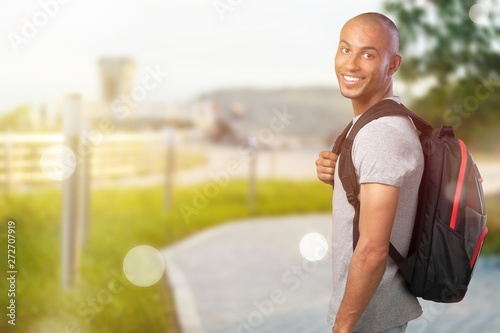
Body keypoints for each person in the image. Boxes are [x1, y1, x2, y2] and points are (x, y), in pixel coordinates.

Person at [315, 12, 424, 333]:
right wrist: (338, 177)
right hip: (368, 310)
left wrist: (342, 327)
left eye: (368, 54)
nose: (350, 65)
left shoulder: (381, 135)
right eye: (345, 49)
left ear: (392, 65)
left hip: (368, 317)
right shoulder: (370, 124)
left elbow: (374, 249)